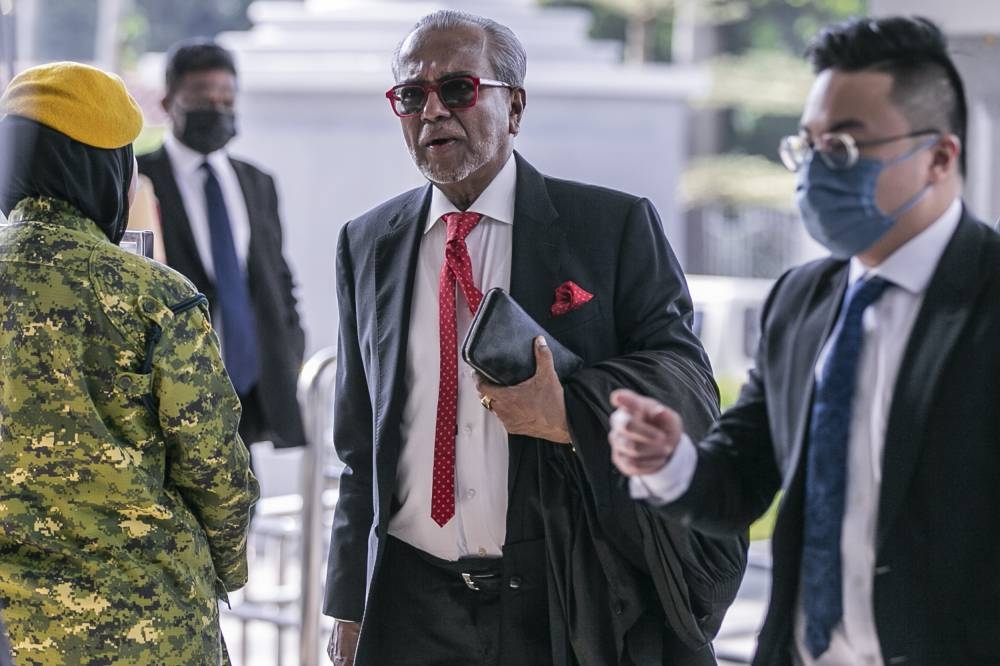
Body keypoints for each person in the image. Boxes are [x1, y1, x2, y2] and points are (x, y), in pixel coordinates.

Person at [324, 10, 746, 666]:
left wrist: (574, 411)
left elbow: (686, 380)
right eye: (413, 96)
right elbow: (359, 447)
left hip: (559, 592)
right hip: (409, 603)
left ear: (513, 106)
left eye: (458, 89)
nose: (433, 110)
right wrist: (349, 604)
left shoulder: (610, 227)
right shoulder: (367, 243)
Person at [609, 16, 999, 666]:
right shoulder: (801, 300)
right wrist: (670, 460)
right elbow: (744, 473)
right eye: (808, 145)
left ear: (939, 156)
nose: (816, 169)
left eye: (843, 149)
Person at [0, 62, 258, 663]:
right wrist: (222, 569)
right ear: (105, 167)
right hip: (147, 619)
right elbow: (215, 469)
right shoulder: (154, 297)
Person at [138, 39, 306, 452]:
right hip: (173, 386)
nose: (216, 107)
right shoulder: (136, 180)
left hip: (250, 379)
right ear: (168, 100)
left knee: (244, 504)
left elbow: (275, 273)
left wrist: (291, 341)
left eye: (226, 97)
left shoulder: (256, 181)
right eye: (200, 96)